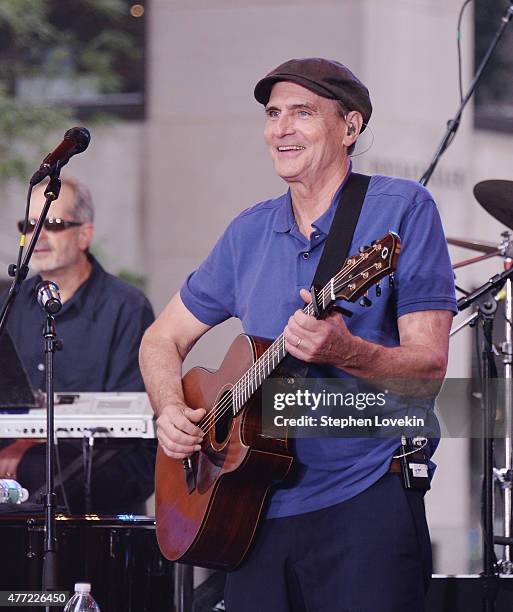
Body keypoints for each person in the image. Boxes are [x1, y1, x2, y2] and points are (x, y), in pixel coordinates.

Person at [139, 58, 457, 611]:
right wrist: (170, 408)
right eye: (272, 114)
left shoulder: (402, 209)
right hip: (250, 510)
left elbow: (428, 371)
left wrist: (347, 351)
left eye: (303, 113)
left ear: (350, 128)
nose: (281, 129)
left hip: (363, 499)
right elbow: (159, 341)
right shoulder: (249, 231)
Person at [0, 176, 156, 513]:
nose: (38, 235)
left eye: (52, 224)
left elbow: (126, 429)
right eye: (29, 224)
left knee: (37, 469)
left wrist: (32, 444)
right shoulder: (8, 306)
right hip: (16, 471)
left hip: (100, 466)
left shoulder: (126, 307)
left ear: (84, 234)